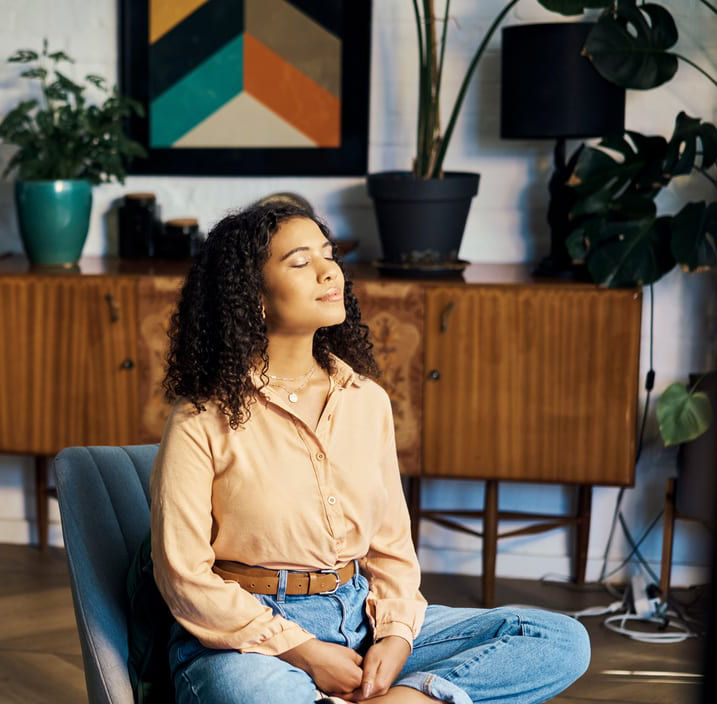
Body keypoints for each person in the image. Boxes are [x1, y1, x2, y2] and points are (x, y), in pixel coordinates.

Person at [150, 199, 591, 704]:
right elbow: (183, 575)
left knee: (557, 639)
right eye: (300, 262)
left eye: (327, 254)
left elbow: (391, 548)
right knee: (243, 691)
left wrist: (397, 635)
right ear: (254, 297)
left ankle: (404, 698)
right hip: (251, 634)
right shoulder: (200, 418)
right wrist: (303, 651)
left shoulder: (366, 401)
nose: (327, 271)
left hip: (361, 613)